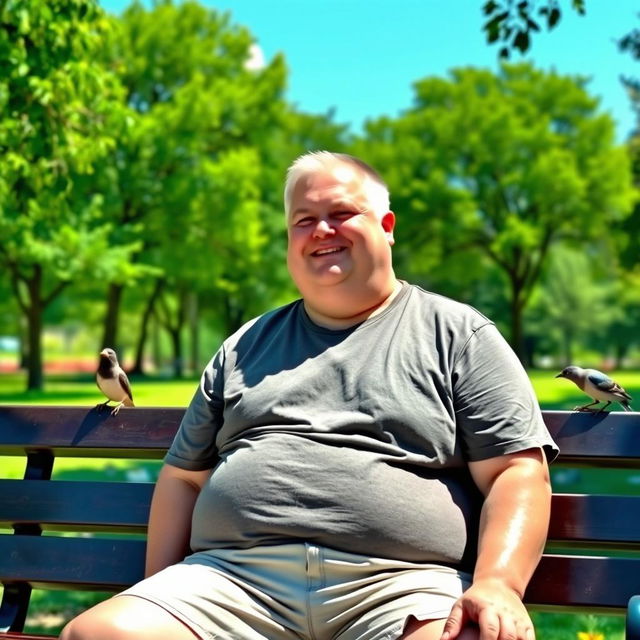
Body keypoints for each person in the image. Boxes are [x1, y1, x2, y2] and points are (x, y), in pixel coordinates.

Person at [60, 151, 558, 640]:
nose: (322, 230)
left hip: (399, 589)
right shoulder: (244, 346)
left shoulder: (457, 334)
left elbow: (516, 471)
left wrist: (498, 582)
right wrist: (158, 592)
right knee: (100, 635)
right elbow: (183, 480)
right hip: (232, 586)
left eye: (341, 213)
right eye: (304, 220)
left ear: (387, 225)